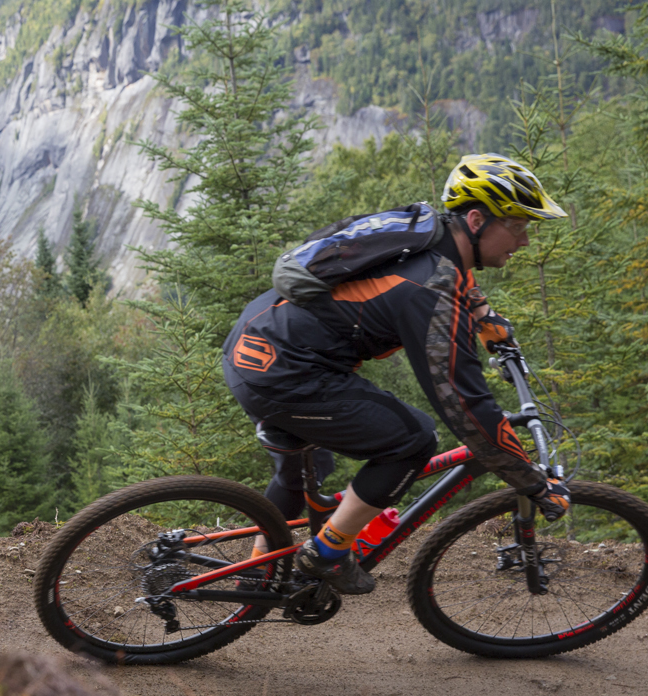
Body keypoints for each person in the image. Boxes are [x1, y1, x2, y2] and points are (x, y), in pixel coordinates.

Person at [222, 153, 573, 595]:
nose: (524, 242)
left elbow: (453, 277)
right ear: (478, 220)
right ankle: (328, 553)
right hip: (285, 369)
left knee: (305, 470)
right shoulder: (430, 292)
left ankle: (258, 575)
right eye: (518, 226)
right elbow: (465, 407)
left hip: (254, 341)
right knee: (413, 440)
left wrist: (484, 316)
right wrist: (534, 483)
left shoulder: (426, 232)